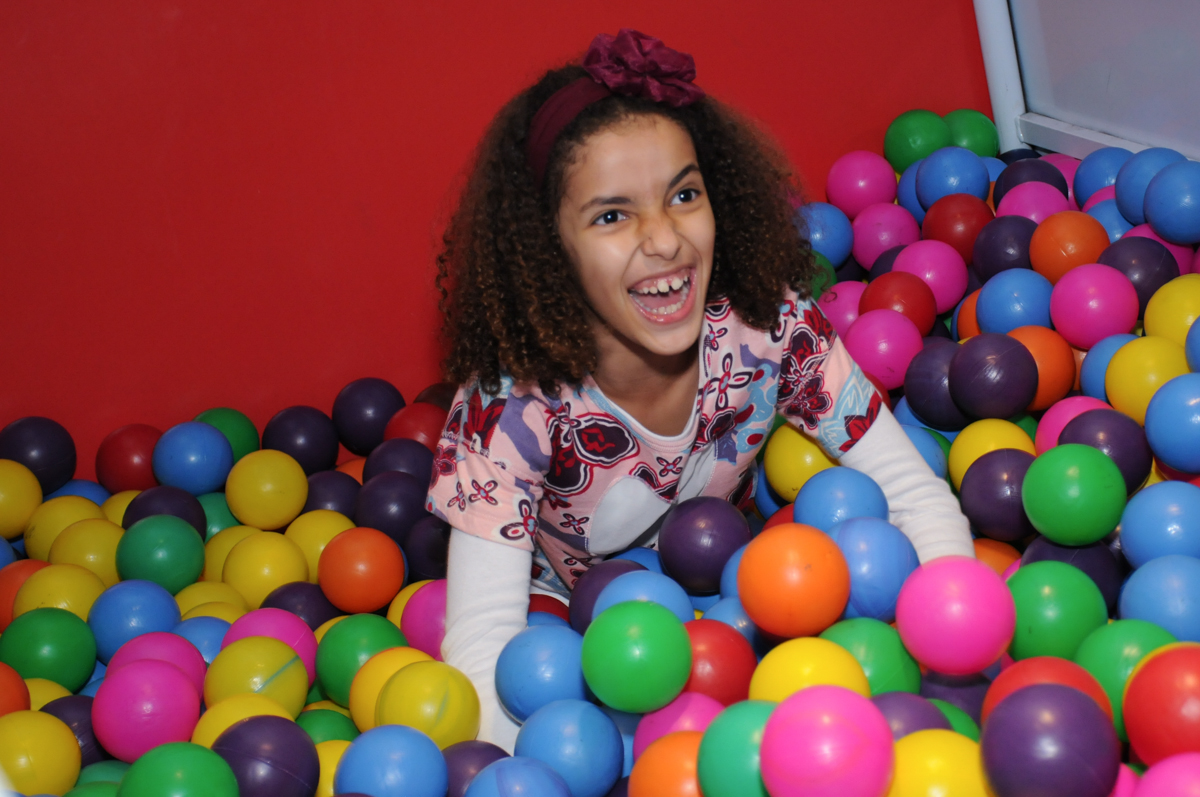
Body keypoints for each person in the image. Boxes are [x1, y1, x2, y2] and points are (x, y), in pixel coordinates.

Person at [426, 28, 973, 750]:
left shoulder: (769, 328)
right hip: (576, 642)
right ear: (548, 245)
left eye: (683, 195)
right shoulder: (511, 410)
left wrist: (957, 641)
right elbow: (481, 653)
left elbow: (912, 492)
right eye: (612, 215)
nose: (664, 240)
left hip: (753, 597)